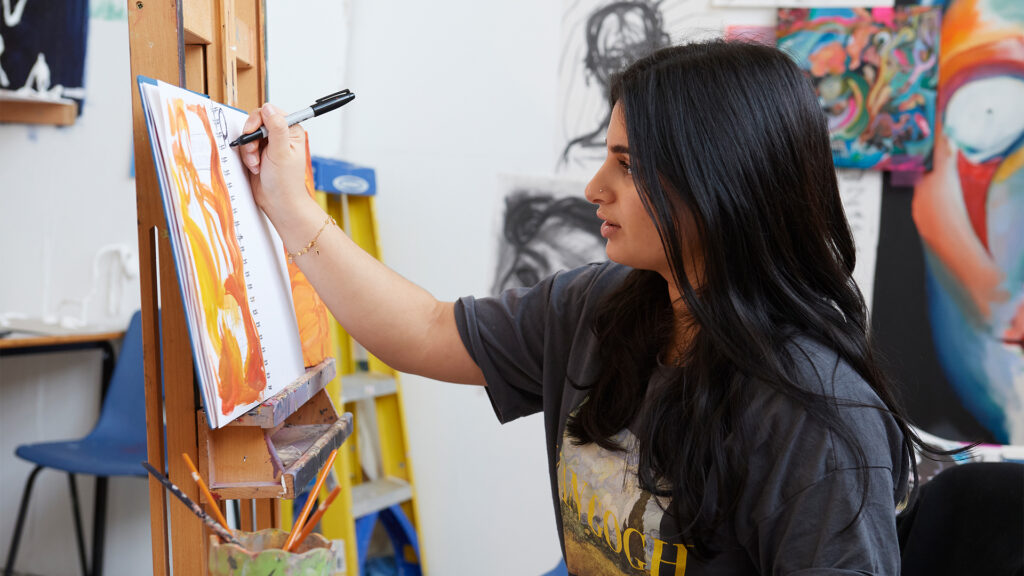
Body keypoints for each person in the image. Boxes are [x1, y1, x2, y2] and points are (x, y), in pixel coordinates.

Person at [241, 39, 942, 575]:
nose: (594, 187)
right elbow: (424, 332)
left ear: (721, 185)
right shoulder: (599, 305)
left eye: (627, 165)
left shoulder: (819, 417)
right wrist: (289, 207)